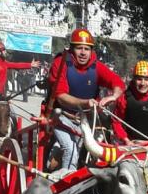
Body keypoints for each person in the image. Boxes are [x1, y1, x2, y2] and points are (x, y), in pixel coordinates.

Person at [48, 28, 125, 170]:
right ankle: (66, 185)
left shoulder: (96, 67)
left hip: (88, 120)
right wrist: (85, 102)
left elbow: (118, 83)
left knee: (103, 149)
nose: (83, 52)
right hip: (62, 117)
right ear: (72, 49)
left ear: (91, 51)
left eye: (87, 49)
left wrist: (113, 96)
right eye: (79, 48)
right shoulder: (61, 63)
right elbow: (61, 96)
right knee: (71, 150)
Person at [0, 41, 41, 108]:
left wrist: (30, 65)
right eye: (4, 50)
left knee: (9, 114)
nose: (5, 52)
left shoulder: (3, 62)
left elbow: (15, 65)